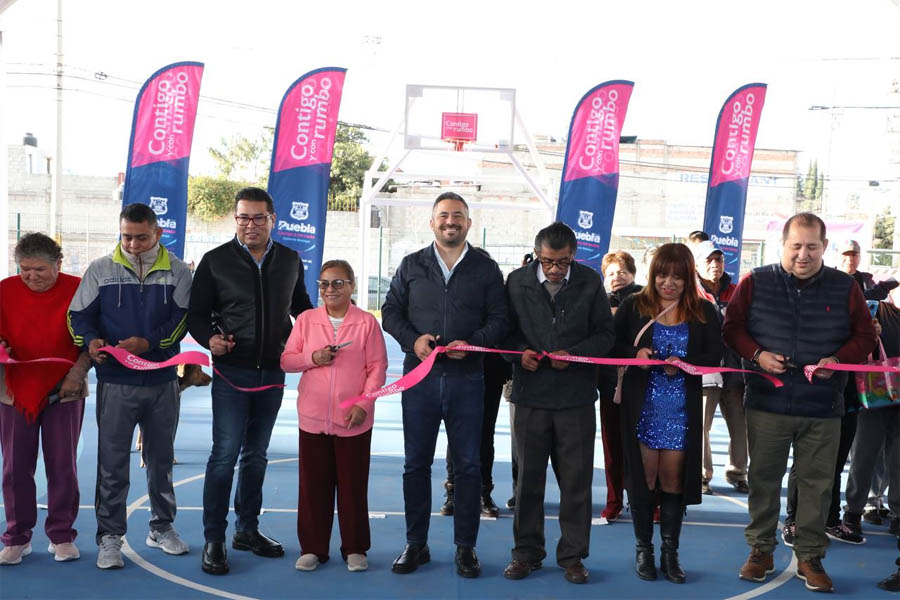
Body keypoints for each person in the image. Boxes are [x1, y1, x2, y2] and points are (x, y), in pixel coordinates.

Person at [723, 212, 876, 593]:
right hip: (766, 404)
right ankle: (761, 551)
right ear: (783, 246)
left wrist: (838, 361)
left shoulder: (846, 287)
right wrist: (757, 355)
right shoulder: (756, 281)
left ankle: (810, 556)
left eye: (811, 246)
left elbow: (864, 336)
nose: (803, 254)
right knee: (762, 481)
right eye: (796, 246)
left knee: (818, 486)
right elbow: (732, 328)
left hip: (823, 407)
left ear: (825, 247)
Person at [187, 187, 313, 575]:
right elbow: (196, 315)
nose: (250, 225)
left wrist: (331, 327)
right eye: (243, 217)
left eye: (259, 218)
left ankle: (247, 529)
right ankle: (214, 538)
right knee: (224, 456)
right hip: (231, 372)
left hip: (273, 373)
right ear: (235, 219)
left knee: (256, 456)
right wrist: (210, 340)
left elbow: (302, 310)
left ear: (273, 219)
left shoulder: (291, 260)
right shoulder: (215, 261)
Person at [381, 191, 507, 578]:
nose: (450, 221)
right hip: (419, 381)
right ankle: (415, 544)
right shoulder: (411, 265)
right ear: (432, 222)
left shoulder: (485, 270)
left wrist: (475, 344)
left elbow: (500, 320)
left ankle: (465, 547)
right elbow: (391, 312)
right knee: (415, 465)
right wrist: (412, 340)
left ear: (468, 223)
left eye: (457, 216)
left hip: (468, 381)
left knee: (468, 467)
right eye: (443, 216)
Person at [68, 204, 192, 569]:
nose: (134, 244)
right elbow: (78, 316)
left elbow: (181, 320)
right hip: (114, 383)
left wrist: (148, 344)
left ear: (157, 234)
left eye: (141, 237)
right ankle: (110, 536)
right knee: (112, 462)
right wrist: (90, 341)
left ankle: (161, 528)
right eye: (127, 236)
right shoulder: (100, 270)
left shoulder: (179, 272)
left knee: (160, 460)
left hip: (162, 381)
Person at [501, 222, 614, 585]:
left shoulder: (590, 281)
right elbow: (504, 331)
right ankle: (526, 554)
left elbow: (606, 335)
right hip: (530, 396)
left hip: (576, 399)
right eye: (548, 261)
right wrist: (520, 354)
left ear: (574, 256)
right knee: (527, 483)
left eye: (563, 262)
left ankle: (573, 557)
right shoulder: (516, 281)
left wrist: (577, 355)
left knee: (576, 483)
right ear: (537, 255)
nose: (554, 270)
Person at [614, 243, 721, 584]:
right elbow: (612, 348)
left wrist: (686, 365)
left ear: (688, 276)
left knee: (673, 482)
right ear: (653, 273)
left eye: (677, 275)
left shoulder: (704, 312)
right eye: (662, 274)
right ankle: (643, 550)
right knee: (644, 481)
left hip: (680, 411)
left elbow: (714, 357)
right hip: (641, 409)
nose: (668, 282)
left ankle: (670, 553)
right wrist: (637, 353)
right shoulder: (632, 306)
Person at [281, 259, 388, 573]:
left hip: (353, 419)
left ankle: (355, 548)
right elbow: (288, 361)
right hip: (312, 418)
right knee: (313, 486)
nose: (330, 289)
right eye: (324, 284)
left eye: (338, 283)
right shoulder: (306, 321)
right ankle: (313, 548)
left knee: (353, 486)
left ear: (352, 286)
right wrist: (313, 358)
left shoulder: (367, 323)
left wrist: (363, 405)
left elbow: (377, 369)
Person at [781, 239, 889, 546]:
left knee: (837, 460)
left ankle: (829, 519)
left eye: (854, 255)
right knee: (806, 460)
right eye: (845, 256)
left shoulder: (863, 291)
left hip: (850, 396)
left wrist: (870, 333)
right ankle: (793, 520)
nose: (850, 261)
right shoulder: (813, 295)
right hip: (814, 394)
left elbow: (862, 341)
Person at [0, 233, 91, 565]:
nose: (31, 277)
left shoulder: (79, 289)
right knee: (14, 468)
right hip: (13, 392)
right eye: (24, 269)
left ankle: (62, 535)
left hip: (66, 391)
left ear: (59, 264)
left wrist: (77, 375)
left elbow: (92, 341)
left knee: (62, 465)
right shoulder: (4, 290)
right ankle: (17, 537)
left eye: (39, 269)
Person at [692, 240, 748, 494]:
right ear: (696, 265)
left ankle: (738, 473)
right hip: (705, 369)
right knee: (701, 424)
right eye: (709, 260)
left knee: (739, 424)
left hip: (735, 368)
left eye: (719, 260)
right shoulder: (688, 292)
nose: (715, 265)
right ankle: (702, 476)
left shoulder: (737, 291)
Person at [598, 251, 643, 522]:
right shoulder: (598, 302)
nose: (618, 276)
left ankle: (648, 500)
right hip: (608, 384)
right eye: (612, 272)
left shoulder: (645, 302)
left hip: (640, 385)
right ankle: (613, 500)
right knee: (611, 447)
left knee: (643, 448)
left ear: (633, 273)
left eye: (623, 271)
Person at [441, 350, 511, 519]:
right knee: (457, 432)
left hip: (491, 368)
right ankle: (453, 491)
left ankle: (483, 493)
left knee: (486, 434)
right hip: (458, 367)